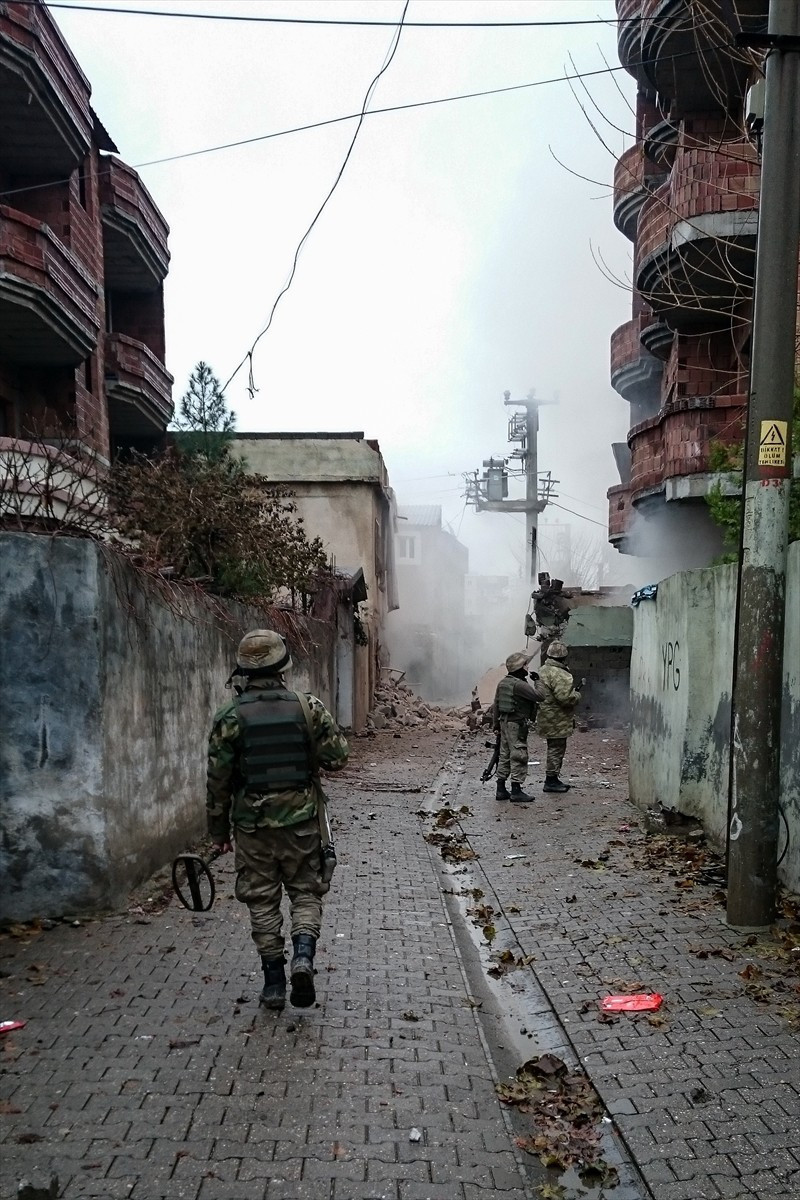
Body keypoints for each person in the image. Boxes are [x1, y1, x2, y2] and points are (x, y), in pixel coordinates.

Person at [206, 629, 349, 1011]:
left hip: (252, 829)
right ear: (283, 665)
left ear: (243, 671)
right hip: (302, 825)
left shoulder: (229, 717)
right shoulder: (309, 707)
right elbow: (338, 758)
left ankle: (273, 983)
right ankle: (303, 956)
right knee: (306, 892)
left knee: (262, 901)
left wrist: (218, 833)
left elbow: (217, 781)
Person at [492, 651, 546, 803]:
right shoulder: (519, 685)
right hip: (516, 724)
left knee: (504, 755)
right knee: (519, 755)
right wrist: (538, 681)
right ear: (519, 668)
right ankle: (516, 789)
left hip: (504, 723)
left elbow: (496, 704)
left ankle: (501, 789)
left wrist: (496, 725)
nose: (527, 668)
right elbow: (540, 696)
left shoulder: (503, 683)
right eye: (525, 665)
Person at [535, 640, 582, 793]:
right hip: (557, 718)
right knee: (556, 748)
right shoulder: (560, 674)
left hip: (545, 715)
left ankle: (553, 778)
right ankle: (551, 781)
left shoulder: (542, 670)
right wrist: (577, 695)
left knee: (552, 747)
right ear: (563, 657)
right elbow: (565, 698)